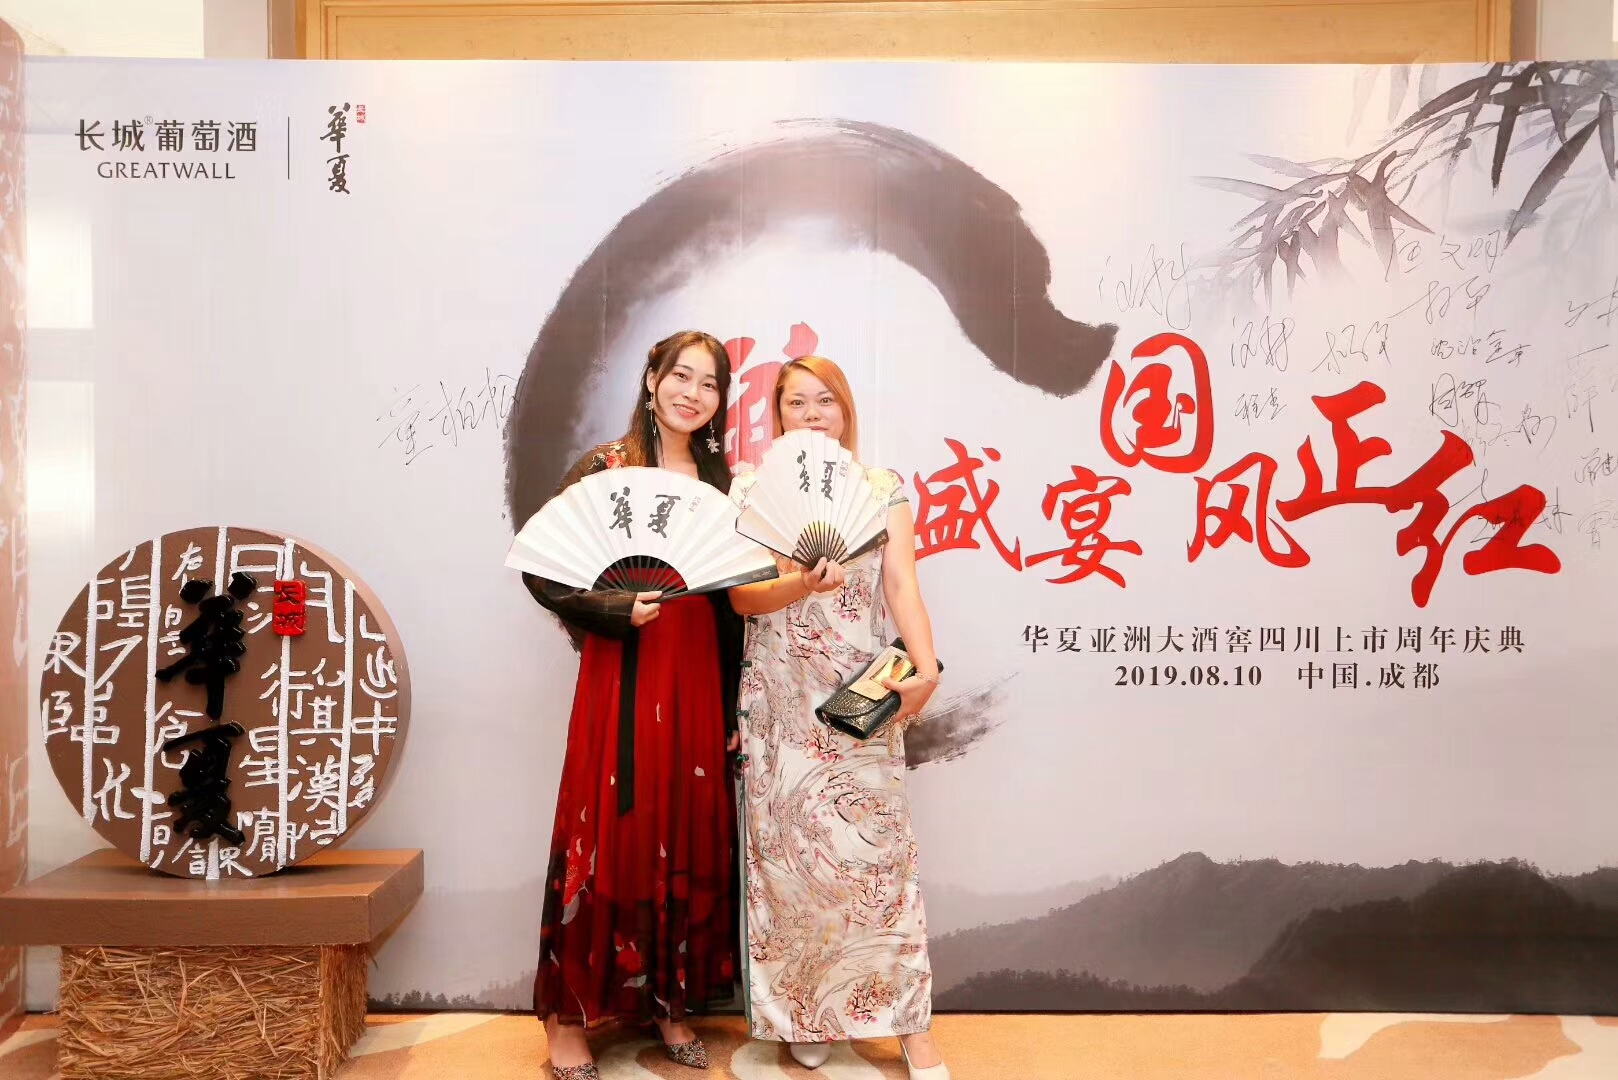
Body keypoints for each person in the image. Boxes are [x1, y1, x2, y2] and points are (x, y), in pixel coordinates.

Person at [520, 330, 743, 1080]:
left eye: (709, 384)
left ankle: (669, 1004)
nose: (692, 393)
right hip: (623, 668)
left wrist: (733, 704)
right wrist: (613, 610)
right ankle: (566, 1017)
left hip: (697, 670)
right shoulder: (607, 467)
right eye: (681, 376)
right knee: (611, 824)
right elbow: (543, 565)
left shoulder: (722, 482)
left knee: (683, 819)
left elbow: (736, 604)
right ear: (652, 379)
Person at [728, 356, 950, 1080]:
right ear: (777, 415)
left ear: (847, 409)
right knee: (792, 868)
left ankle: (910, 1027)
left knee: (878, 860)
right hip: (780, 702)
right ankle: (808, 1014)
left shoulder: (881, 490)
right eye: (796, 403)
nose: (813, 414)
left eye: (826, 401)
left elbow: (902, 585)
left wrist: (926, 669)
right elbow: (743, 600)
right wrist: (799, 582)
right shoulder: (752, 490)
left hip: (860, 693)